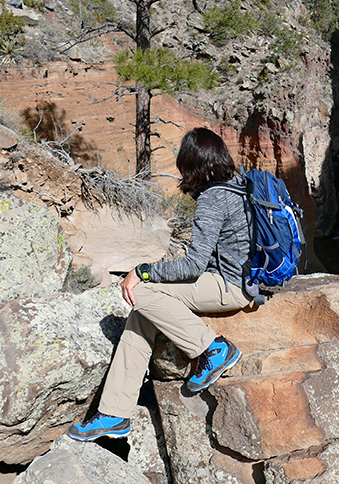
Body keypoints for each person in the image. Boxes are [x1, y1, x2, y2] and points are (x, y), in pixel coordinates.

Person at [67, 128, 250, 442]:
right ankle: (114, 413)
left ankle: (213, 348)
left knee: (141, 290)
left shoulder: (212, 199)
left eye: (186, 169)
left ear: (196, 167)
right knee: (141, 314)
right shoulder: (239, 185)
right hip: (246, 279)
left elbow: (193, 265)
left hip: (230, 286)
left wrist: (144, 270)